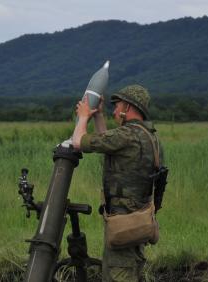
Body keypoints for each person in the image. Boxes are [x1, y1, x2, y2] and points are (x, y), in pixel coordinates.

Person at [72, 84, 164, 281]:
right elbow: (108, 143)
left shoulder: (126, 135)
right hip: (139, 220)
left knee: (119, 274)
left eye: (117, 106)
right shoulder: (149, 136)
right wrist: (98, 116)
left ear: (128, 108)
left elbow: (78, 142)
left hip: (123, 222)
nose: (114, 110)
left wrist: (83, 117)